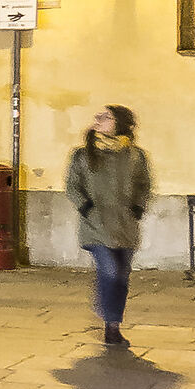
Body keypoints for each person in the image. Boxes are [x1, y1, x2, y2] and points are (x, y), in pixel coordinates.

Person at [66, 105, 152, 347]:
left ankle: (112, 325)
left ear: (120, 123)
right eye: (98, 117)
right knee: (110, 272)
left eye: (106, 117)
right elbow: (73, 185)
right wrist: (85, 207)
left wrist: (139, 206)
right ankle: (107, 314)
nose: (99, 120)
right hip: (95, 226)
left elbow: (144, 184)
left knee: (121, 278)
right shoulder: (83, 155)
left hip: (125, 227)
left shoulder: (136, 156)